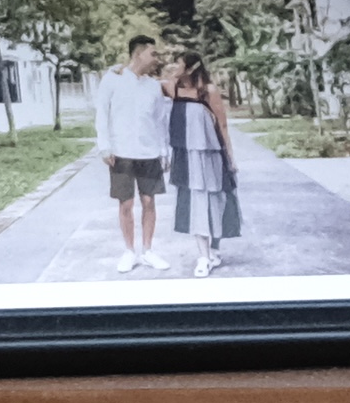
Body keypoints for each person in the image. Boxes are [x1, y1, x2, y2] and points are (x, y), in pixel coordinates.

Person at [92, 36, 173, 269]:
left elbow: (159, 120)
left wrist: (164, 150)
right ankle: (129, 251)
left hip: (149, 153)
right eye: (152, 53)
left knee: (149, 202)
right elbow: (102, 114)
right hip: (121, 152)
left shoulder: (153, 86)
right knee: (125, 204)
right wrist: (104, 146)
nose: (156, 58)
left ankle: (148, 251)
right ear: (138, 54)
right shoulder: (112, 80)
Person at [162, 51, 244, 276]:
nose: (174, 67)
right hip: (187, 155)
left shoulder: (208, 91)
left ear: (190, 68)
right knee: (196, 201)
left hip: (211, 154)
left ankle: (214, 249)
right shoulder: (172, 87)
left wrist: (230, 157)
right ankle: (203, 256)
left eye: (178, 64)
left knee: (216, 199)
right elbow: (146, 84)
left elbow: (223, 125)